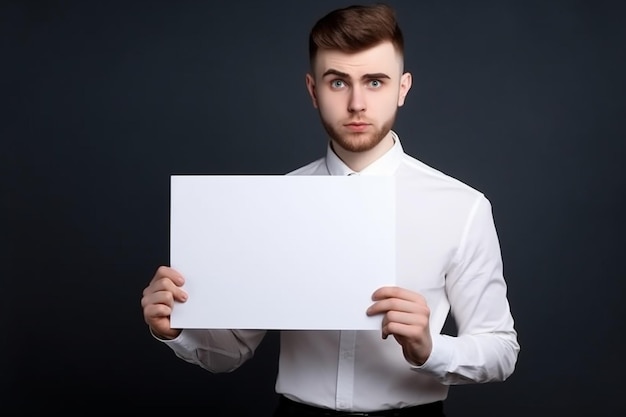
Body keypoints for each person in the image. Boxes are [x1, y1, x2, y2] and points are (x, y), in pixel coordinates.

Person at [141, 3, 520, 416]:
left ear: (402, 88)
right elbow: (233, 350)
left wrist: (431, 348)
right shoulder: (273, 205)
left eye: (375, 81)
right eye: (338, 82)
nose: (357, 103)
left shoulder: (461, 206)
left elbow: (501, 350)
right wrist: (177, 330)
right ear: (313, 90)